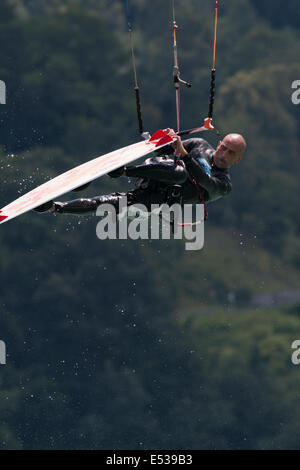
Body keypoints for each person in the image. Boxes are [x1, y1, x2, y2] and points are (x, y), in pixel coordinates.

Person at [34, 128, 246, 218]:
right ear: (219, 144)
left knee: (112, 204)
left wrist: (182, 152)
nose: (224, 154)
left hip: (158, 200)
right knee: (179, 170)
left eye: (231, 153)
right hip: (155, 171)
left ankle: (53, 207)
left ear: (238, 159)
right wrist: (164, 137)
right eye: (224, 147)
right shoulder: (199, 144)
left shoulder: (224, 185)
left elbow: (204, 180)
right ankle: (121, 170)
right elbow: (158, 148)